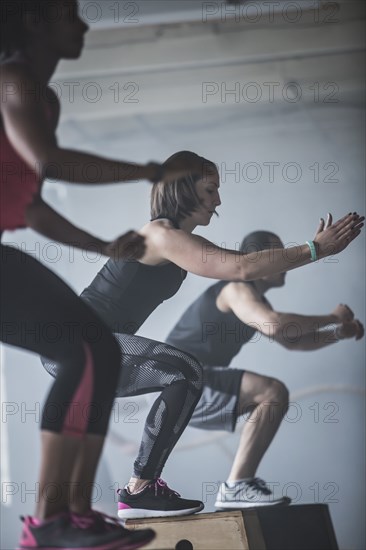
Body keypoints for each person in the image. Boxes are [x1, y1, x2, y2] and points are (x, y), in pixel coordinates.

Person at [41, 150, 365, 520]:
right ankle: (140, 490)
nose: (218, 201)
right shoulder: (160, 234)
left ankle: (140, 490)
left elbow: (287, 333)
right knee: (186, 369)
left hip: (96, 349)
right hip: (77, 340)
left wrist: (337, 331)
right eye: (210, 190)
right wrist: (315, 249)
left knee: (185, 371)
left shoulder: (176, 247)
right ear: (183, 189)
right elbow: (242, 266)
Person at [0, 1, 201, 547]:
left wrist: (100, 244)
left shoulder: (45, 99)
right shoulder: (13, 80)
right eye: (71, 14)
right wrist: (152, 171)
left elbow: (33, 206)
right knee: (91, 348)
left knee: (97, 351)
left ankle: (67, 517)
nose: (84, 25)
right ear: (35, 21)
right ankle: (53, 521)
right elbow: (51, 161)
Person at [165, 229, 364, 509]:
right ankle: (237, 485)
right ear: (260, 259)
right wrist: (332, 317)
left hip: (189, 382)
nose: (285, 261)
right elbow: (276, 324)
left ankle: (240, 483)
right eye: (278, 254)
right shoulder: (235, 289)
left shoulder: (256, 300)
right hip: (180, 380)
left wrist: (337, 333)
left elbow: (294, 342)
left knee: (271, 396)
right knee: (272, 391)